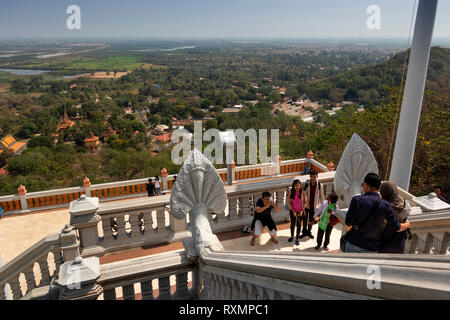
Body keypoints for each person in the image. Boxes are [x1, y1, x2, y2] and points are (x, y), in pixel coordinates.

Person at [344, 173, 410, 253]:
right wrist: (407, 224)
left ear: (365, 185)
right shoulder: (385, 205)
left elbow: (348, 226)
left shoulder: (356, 200)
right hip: (371, 248)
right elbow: (398, 227)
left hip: (353, 244)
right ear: (379, 188)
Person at [379, 182, 411, 253]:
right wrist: (407, 224)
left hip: (384, 244)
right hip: (399, 243)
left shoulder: (382, 206)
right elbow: (406, 220)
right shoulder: (405, 205)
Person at [301, 170, 325, 239]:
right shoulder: (306, 183)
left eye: (314, 177)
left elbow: (321, 195)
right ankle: (304, 232)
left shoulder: (320, 185)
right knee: (305, 219)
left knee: (311, 220)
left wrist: (323, 206)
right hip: (306, 205)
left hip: (314, 206)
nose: (313, 178)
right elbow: (301, 191)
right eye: (311, 177)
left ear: (317, 176)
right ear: (309, 176)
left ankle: (309, 232)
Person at [287, 179, 307, 245]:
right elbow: (289, 202)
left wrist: (302, 211)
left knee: (298, 225)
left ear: (300, 185)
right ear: (293, 186)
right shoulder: (291, 192)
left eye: (298, 185)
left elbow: (305, 203)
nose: (297, 187)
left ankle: (297, 238)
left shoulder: (303, 192)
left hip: (300, 212)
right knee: (292, 224)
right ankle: (292, 236)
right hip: (293, 211)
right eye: (295, 186)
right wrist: (293, 211)